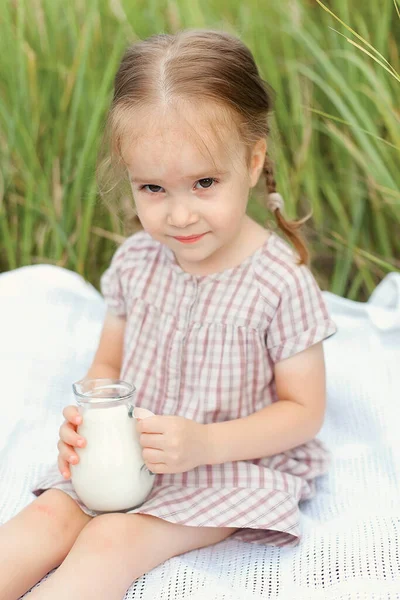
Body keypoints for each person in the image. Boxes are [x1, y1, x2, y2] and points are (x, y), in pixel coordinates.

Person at [0, 29, 337, 600]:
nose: (180, 214)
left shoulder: (279, 283)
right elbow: (107, 364)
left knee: (112, 540)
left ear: (253, 160)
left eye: (204, 183)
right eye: (153, 187)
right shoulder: (136, 261)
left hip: (230, 462)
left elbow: (304, 413)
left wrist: (204, 445)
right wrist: (89, 422)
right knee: (47, 519)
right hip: (132, 456)